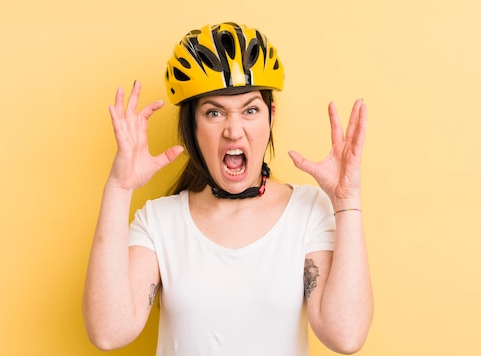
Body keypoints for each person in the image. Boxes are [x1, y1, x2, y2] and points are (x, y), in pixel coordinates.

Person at [83, 22, 373, 355]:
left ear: (270, 117)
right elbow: (108, 332)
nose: (234, 131)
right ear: (193, 125)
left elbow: (346, 336)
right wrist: (119, 190)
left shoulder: (308, 211)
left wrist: (347, 202)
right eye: (214, 112)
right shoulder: (160, 222)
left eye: (250, 110)